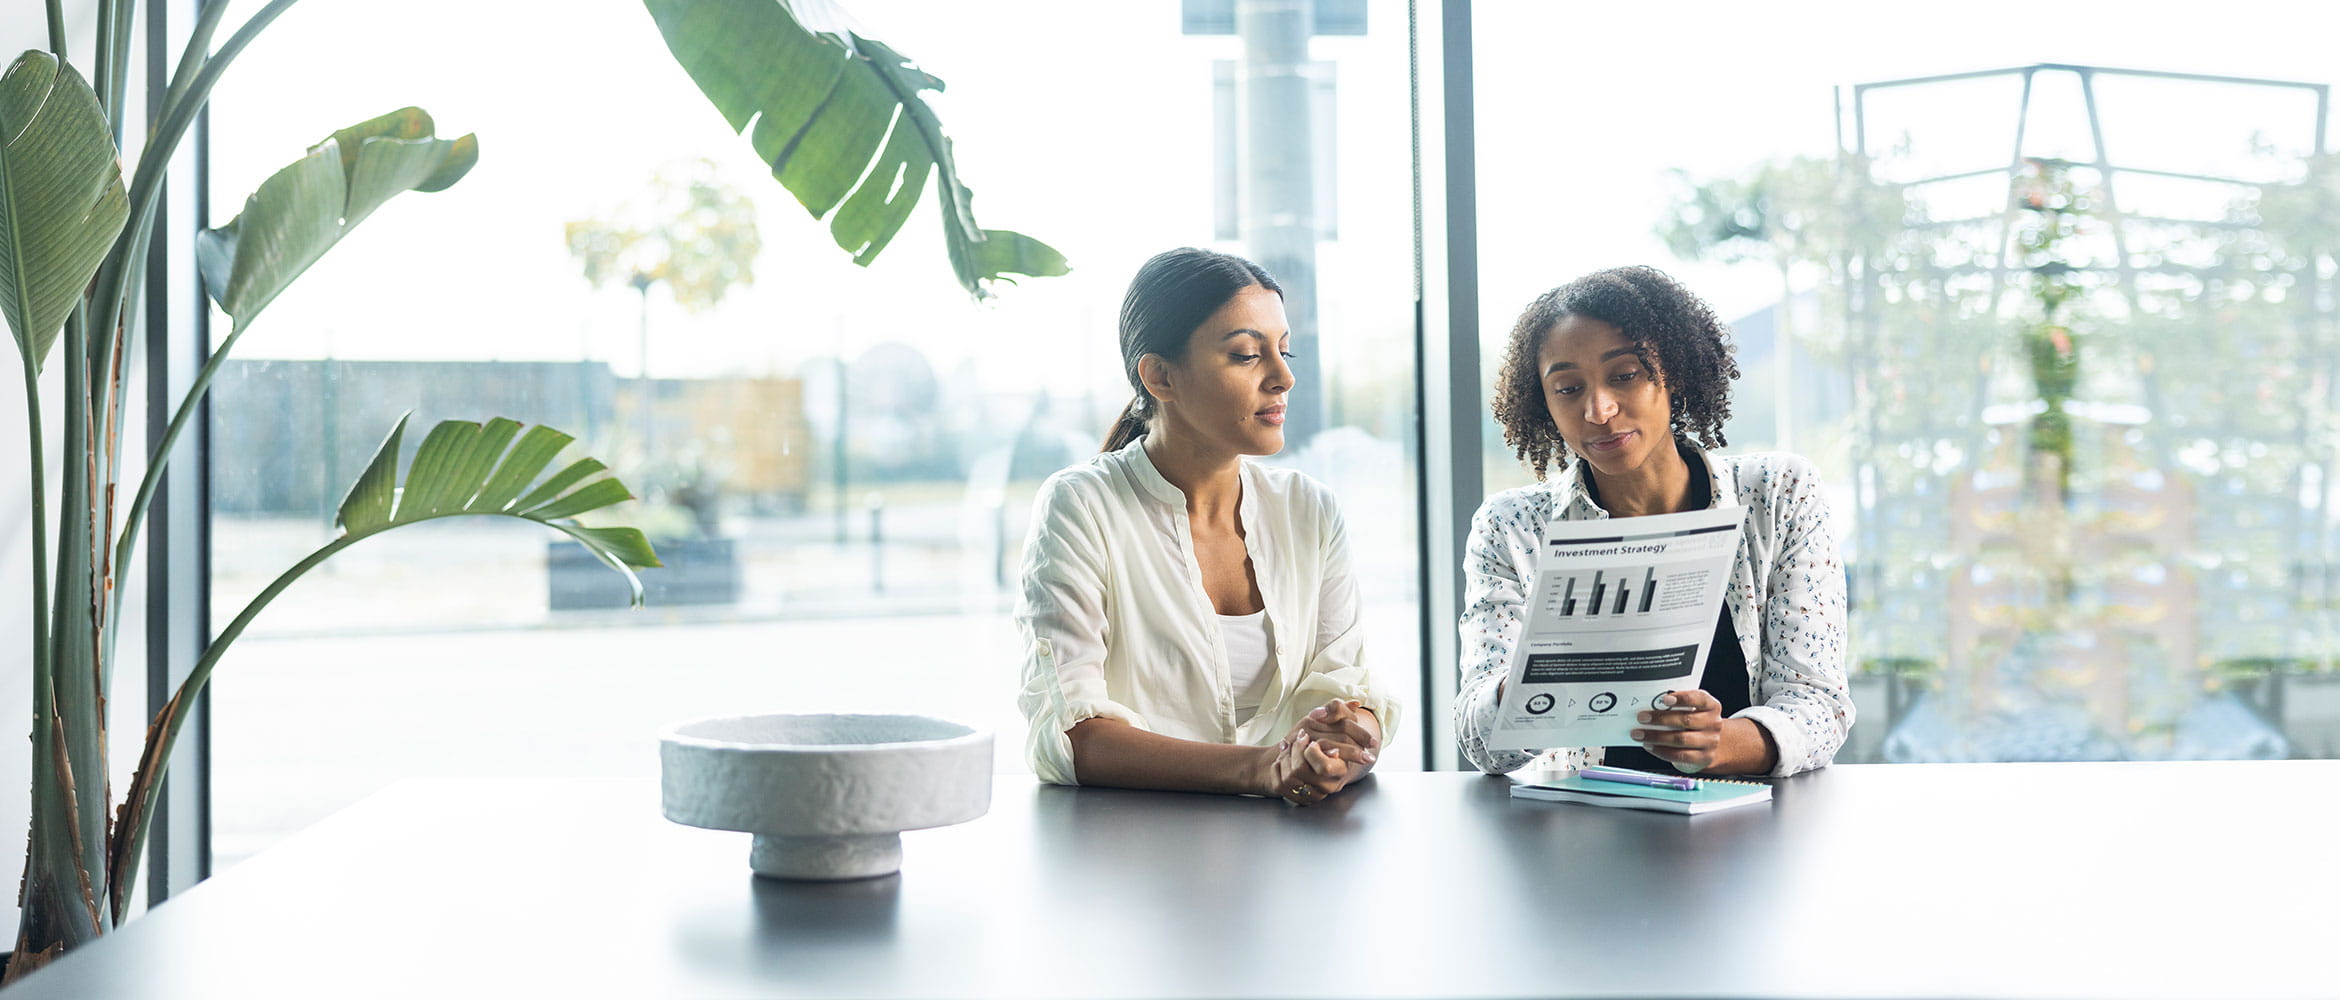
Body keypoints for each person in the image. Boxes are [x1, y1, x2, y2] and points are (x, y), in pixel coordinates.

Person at [1016, 248, 1402, 804]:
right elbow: (1071, 736)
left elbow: (1346, 684)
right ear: (1161, 376)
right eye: (1246, 355)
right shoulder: (1081, 506)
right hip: (1130, 855)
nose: (1284, 377)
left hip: (1291, 850)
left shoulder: (1308, 510)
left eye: (1284, 349)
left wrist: (1345, 741)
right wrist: (1263, 769)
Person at [1455, 265, 1852, 777]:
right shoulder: (1513, 528)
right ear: (1542, 403)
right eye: (1568, 388)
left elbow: (1819, 705)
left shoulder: (1776, 496)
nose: (1599, 410)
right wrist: (1534, 683)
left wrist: (1722, 742)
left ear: (1676, 373)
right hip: (1583, 833)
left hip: (1754, 829)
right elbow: (1479, 743)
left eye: (1625, 376)